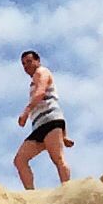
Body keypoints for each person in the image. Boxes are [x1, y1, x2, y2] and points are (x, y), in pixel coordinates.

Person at [13, 49, 73, 188]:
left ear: (37, 61)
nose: (26, 66)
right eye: (23, 64)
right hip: (40, 125)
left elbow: (41, 93)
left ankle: (67, 189)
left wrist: (26, 111)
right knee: (20, 160)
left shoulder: (42, 72)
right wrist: (64, 136)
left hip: (50, 122)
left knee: (57, 158)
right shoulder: (34, 80)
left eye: (29, 61)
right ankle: (32, 195)